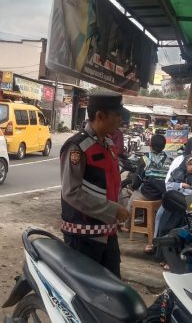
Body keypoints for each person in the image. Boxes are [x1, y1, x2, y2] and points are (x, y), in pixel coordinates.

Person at [59, 94, 130, 278]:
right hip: (83, 238)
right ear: (100, 116)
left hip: (108, 234)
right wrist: (112, 210)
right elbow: (71, 192)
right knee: (84, 296)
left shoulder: (108, 144)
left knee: (113, 291)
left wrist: (117, 211)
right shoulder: (77, 147)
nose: (120, 120)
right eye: (117, 115)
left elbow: (111, 183)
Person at [144, 136, 192, 255]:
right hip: (175, 197)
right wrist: (180, 188)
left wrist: (187, 199)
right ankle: (156, 244)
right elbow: (169, 182)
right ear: (189, 147)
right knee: (161, 215)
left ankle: (186, 252)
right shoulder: (179, 160)